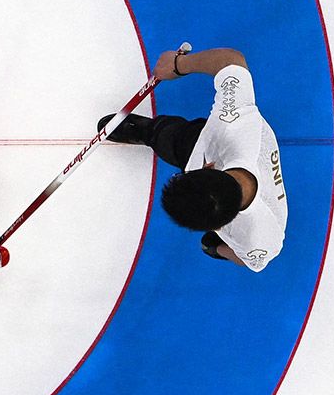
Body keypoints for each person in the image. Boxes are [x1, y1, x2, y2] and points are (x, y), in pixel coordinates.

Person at [98, 46, 286, 271]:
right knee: (172, 136)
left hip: (213, 158)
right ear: (210, 166)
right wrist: (178, 65)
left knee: (175, 144)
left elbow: (249, 260)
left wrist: (219, 250)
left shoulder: (262, 238)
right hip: (211, 141)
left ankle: (155, 134)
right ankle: (150, 132)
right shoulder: (234, 127)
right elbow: (232, 61)